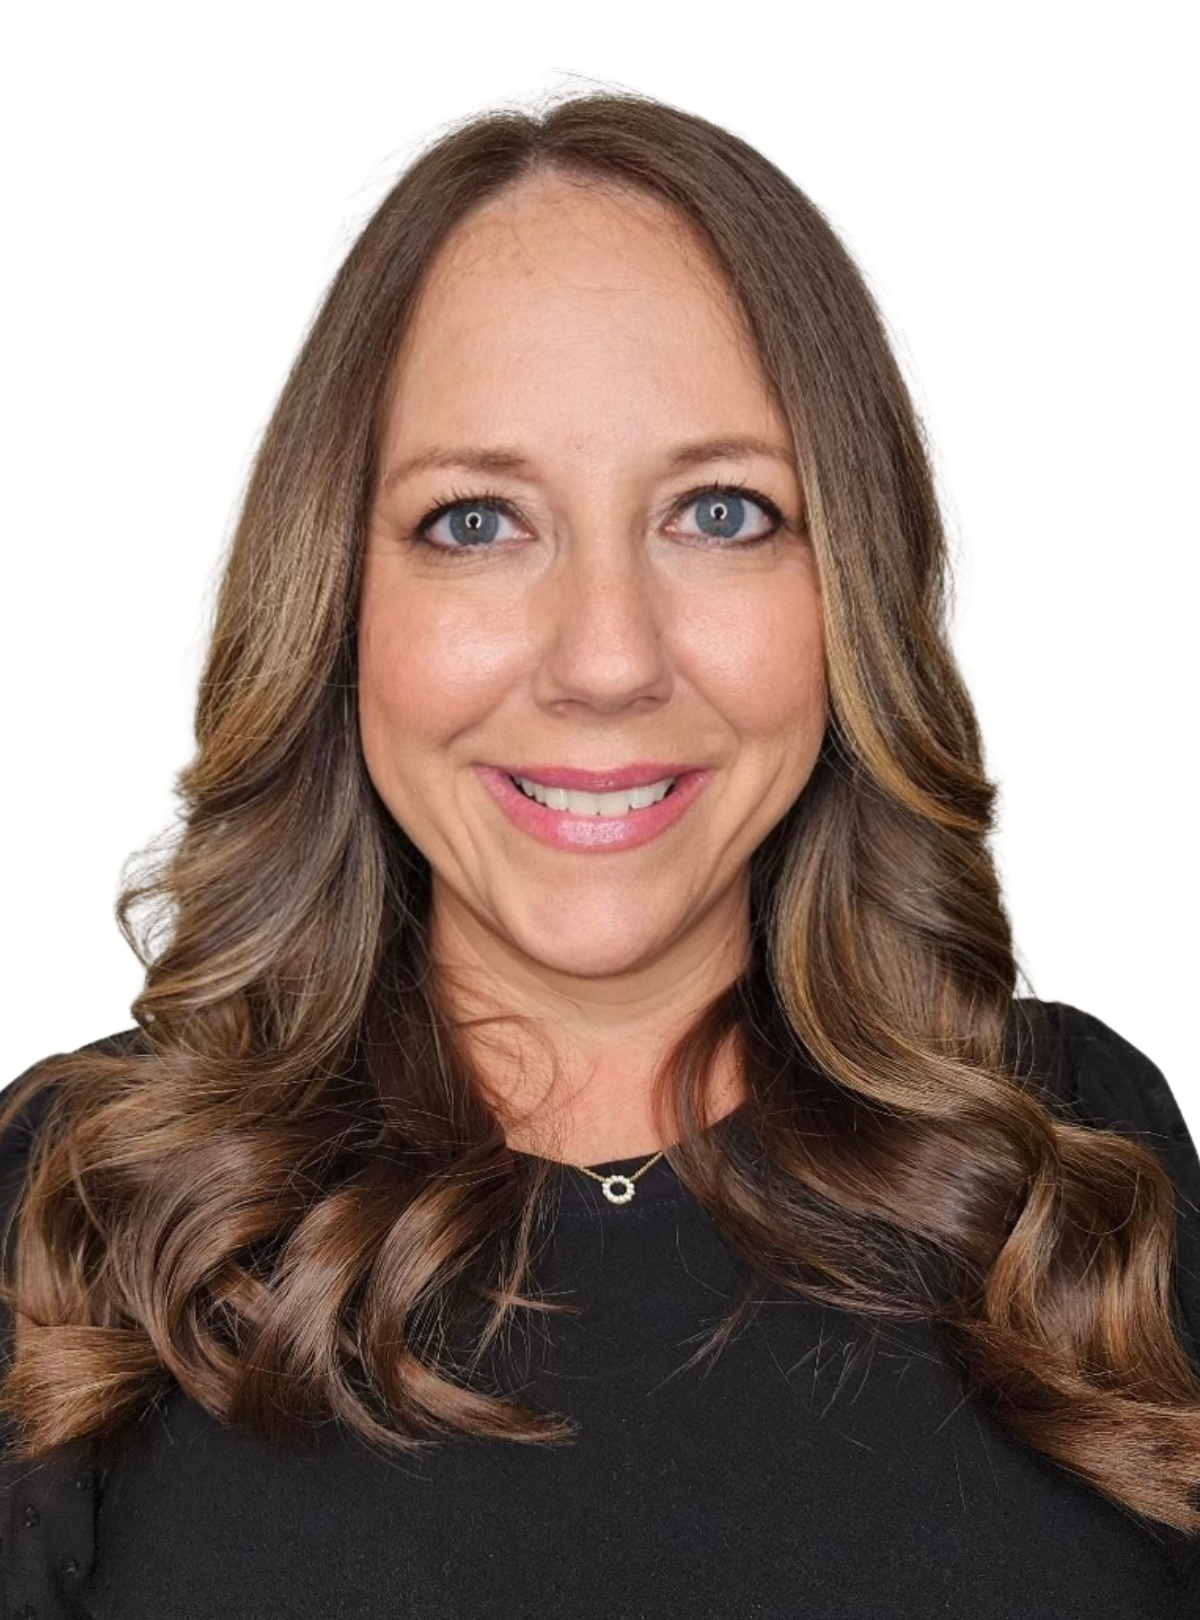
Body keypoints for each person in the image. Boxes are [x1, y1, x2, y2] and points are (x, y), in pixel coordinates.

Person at [1, 89, 1197, 1619]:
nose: (608, 659)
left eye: (720, 511)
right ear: (338, 598)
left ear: (853, 596)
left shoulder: (1071, 1170)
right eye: (478, 522)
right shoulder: (88, 1212)